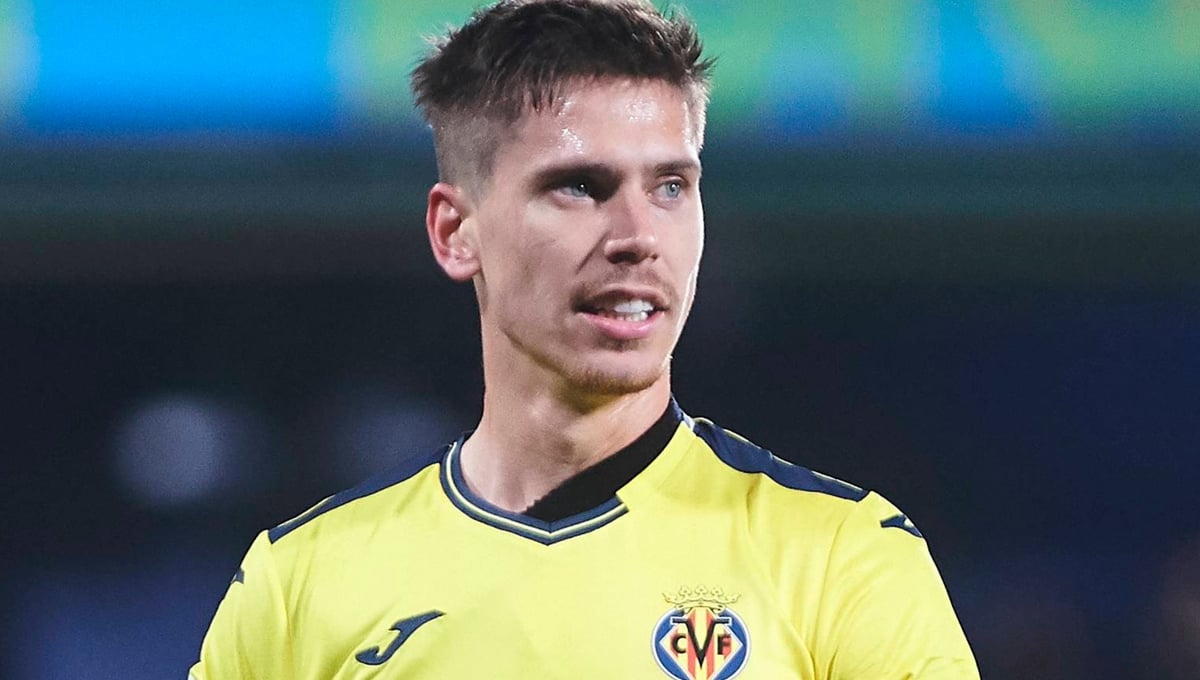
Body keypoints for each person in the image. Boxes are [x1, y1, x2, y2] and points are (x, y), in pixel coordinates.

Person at [190, 1, 979, 678]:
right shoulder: (299, 586)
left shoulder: (843, 559)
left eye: (670, 186)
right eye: (579, 186)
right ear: (456, 231)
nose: (639, 237)